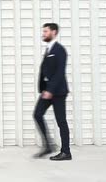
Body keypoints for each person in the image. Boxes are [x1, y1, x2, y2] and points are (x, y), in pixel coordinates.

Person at [33, 23, 72, 160]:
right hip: (47, 91)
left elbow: (59, 72)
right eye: (43, 31)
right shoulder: (49, 49)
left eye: (46, 31)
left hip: (58, 92)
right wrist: (44, 89)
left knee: (61, 121)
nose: (43, 34)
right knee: (37, 114)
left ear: (54, 32)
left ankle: (66, 152)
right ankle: (48, 146)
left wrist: (50, 90)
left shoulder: (59, 50)